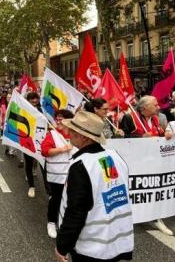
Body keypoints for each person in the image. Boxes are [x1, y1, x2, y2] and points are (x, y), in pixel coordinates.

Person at [56, 111, 134, 262]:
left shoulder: (81, 166)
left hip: (91, 248)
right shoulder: (114, 156)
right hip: (120, 242)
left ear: (84, 136)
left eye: (73, 130)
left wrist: (62, 247)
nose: (68, 133)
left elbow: (76, 211)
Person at [118, 96, 171, 235]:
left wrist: (168, 134)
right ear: (145, 108)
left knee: (153, 188)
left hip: (153, 160)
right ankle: (128, 217)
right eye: (155, 104)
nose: (158, 106)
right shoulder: (129, 118)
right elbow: (120, 139)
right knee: (134, 190)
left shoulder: (155, 118)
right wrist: (141, 138)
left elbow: (159, 134)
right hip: (134, 162)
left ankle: (155, 217)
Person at [41, 109, 75, 239]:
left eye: (62, 119)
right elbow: (45, 151)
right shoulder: (52, 134)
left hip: (73, 174)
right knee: (56, 198)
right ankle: (51, 222)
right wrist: (62, 149)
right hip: (57, 174)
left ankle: (66, 222)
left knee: (71, 199)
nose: (59, 121)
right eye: (57, 118)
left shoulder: (75, 134)